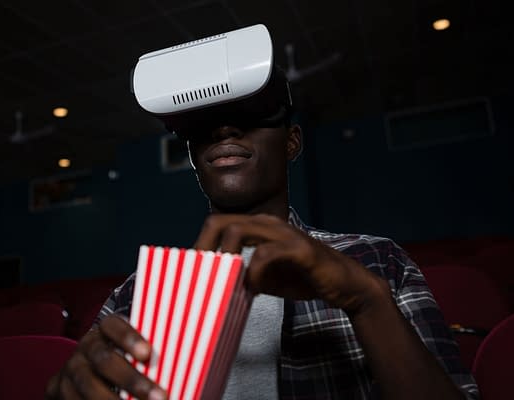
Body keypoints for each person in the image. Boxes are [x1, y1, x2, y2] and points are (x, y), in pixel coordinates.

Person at [46, 65, 479, 399]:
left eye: (249, 115)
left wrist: (368, 302)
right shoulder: (135, 297)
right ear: (195, 158)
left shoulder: (376, 261)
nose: (223, 129)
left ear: (292, 143)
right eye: (204, 125)